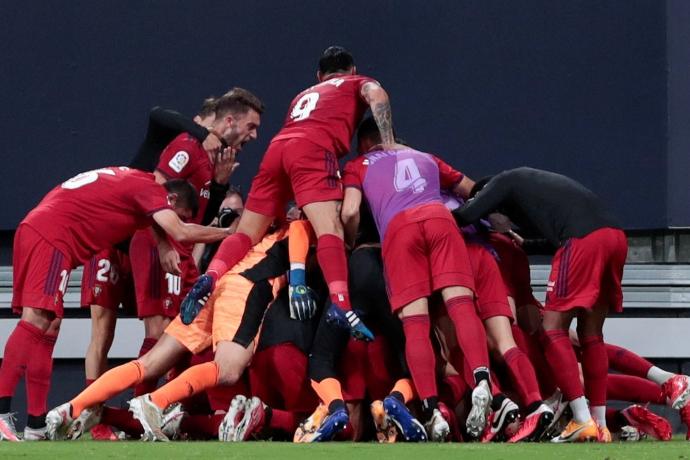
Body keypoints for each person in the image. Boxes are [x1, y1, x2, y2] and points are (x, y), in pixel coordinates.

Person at [181, 45, 397, 342]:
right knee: (329, 230)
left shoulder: (303, 94)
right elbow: (378, 95)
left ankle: (211, 275)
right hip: (314, 148)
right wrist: (387, 142)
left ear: (319, 75)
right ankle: (341, 305)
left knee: (245, 233)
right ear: (353, 70)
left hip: (279, 147)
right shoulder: (357, 82)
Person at [0, 168, 230, 442]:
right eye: (179, 214)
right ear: (171, 200)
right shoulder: (150, 189)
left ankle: (35, 424)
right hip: (53, 237)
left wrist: (161, 244)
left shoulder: (132, 181)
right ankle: (1, 414)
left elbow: (155, 220)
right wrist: (231, 232)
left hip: (43, 230)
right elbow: (179, 231)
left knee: (49, 326)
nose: (178, 221)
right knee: (36, 320)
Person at [44, 220, 308, 441]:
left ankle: (74, 407)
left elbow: (236, 240)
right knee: (228, 369)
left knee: (149, 363)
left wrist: (213, 274)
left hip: (220, 286)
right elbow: (299, 228)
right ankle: (156, 402)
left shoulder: (256, 234)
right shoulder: (302, 227)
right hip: (246, 288)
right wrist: (298, 281)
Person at [341, 118, 493, 441]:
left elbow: (350, 212)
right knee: (461, 306)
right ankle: (482, 381)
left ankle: (432, 408)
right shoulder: (426, 157)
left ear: (366, 143)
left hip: (399, 230)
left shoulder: (358, 165)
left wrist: (351, 243)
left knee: (415, 325)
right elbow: (473, 191)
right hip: (439, 218)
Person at [454, 167, 627, 442]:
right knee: (591, 335)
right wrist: (525, 244)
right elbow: (552, 238)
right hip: (615, 237)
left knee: (552, 330)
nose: (493, 223)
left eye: (490, 215)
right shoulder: (529, 186)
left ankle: (581, 420)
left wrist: (428, 218)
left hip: (581, 240)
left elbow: (464, 216)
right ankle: (599, 422)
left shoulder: (502, 183)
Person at [130, 89, 262, 378]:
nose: (253, 136)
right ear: (230, 121)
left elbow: (201, 216)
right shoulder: (189, 145)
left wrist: (218, 184)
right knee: (159, 330)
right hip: (157, 242)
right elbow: (152, 189)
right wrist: (163, 244)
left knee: (183, 329)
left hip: (183, 248)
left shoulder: (213, 158)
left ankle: (163, 409)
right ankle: (140, 412)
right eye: (251, 127)